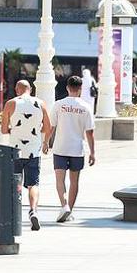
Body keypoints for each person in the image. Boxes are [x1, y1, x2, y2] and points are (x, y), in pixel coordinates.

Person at [1, 78, 52, 231]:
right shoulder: (41, 103)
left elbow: (4, 129)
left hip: (15, 150)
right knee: (33, 184)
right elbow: (48, 127)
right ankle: (33, 211)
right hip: (33, 151)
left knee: (14, 183)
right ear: (31, 89)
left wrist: (14, 130)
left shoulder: (11, 103)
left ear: (17, 90)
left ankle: (13, 215)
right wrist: (44, 141)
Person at [47, 74, 96, 223]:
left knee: (59, 180)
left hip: (60, 148)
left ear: (67, 88)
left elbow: (51, 126)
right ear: (80, 89)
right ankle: (70, 209)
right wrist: (93, 152)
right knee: (74, 181)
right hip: (77, 149)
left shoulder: (58, 104)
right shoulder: (86, 107)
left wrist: (45, 142)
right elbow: (90, 132)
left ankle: (64, 206)